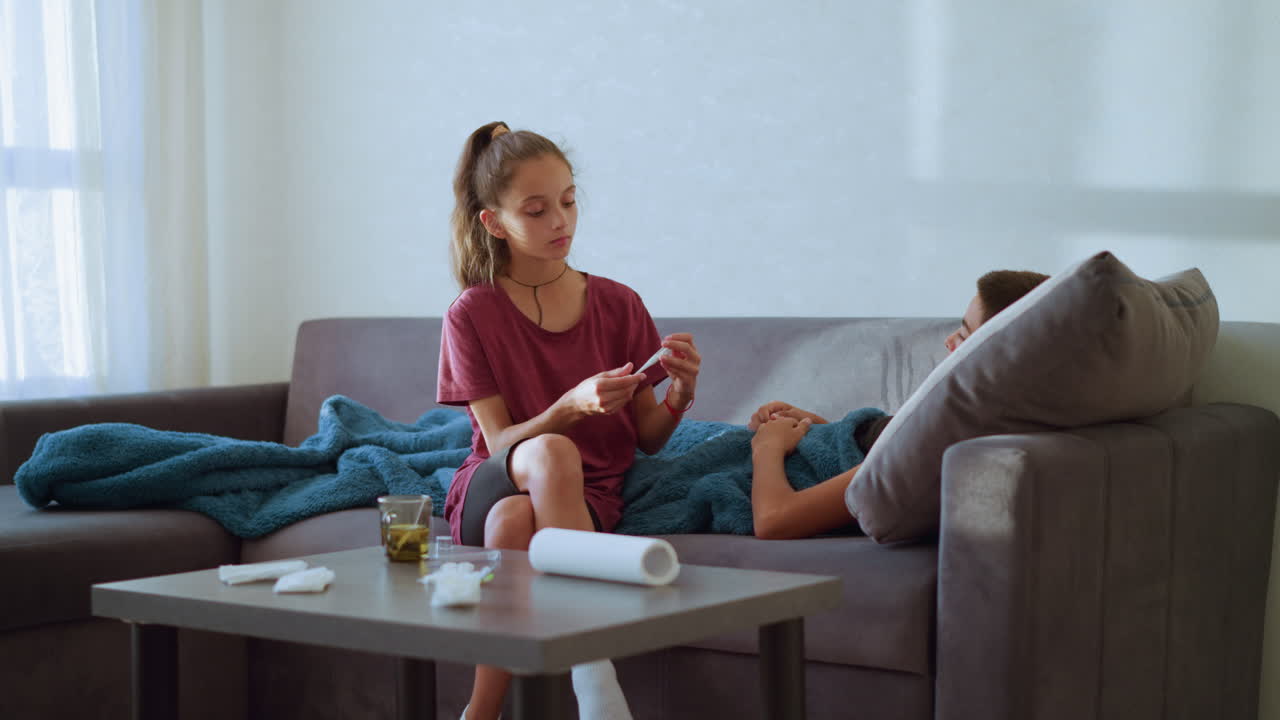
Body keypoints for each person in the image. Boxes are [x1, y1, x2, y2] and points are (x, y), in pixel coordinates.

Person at [438, 121, 701, 720]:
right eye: (536, 210)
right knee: (549, 456)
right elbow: (499, 442)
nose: (560, 221)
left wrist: (681, 394)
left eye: (568, 201)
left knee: (513, 526)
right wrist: (568, 408)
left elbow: (649, 440)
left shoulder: (619, 304)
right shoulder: (471, 313)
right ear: (494, 222)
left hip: (587, 496)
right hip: (498, 474)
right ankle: (595, 674)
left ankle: (478, 714)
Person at [745, 269, 1048, 540]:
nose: (949, 341)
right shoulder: (975, 418)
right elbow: (874, 454)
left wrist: (768, 446)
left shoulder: (944, 440)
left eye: (965, 334)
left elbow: (775, 521)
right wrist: (815, 427)